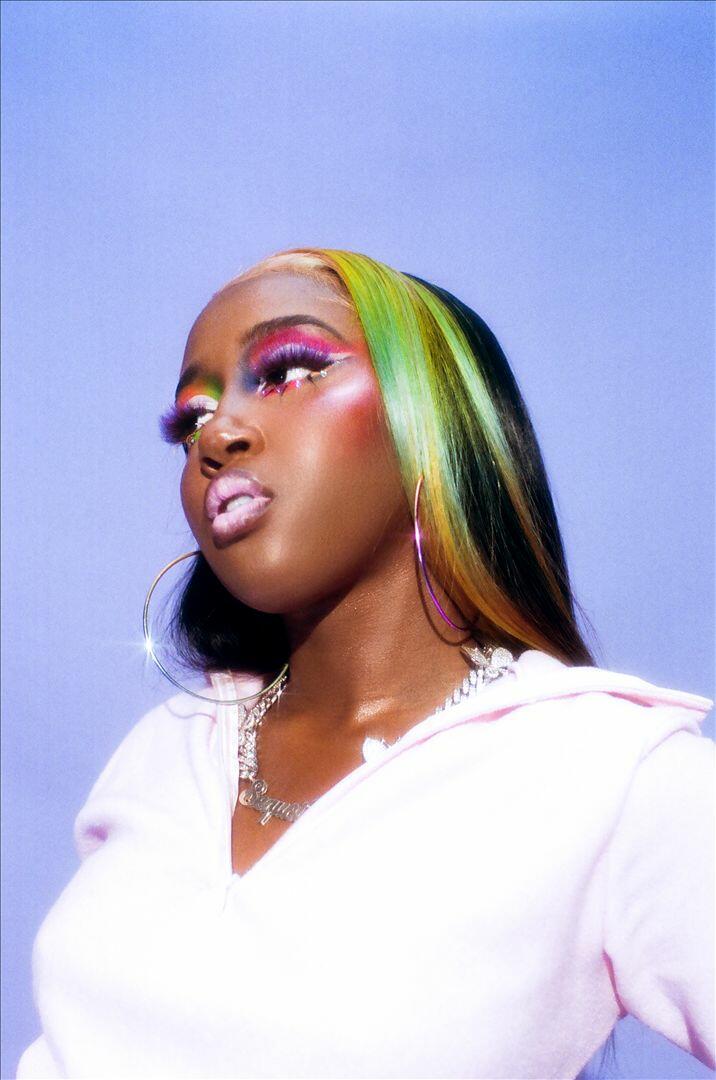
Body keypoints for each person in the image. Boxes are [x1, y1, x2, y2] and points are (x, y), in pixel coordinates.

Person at [17, 248, 714, 1079]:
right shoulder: (173, 744)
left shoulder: (609, 771)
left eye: (289, 371)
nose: (218, 437)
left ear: (435, 417)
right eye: (192, 419)